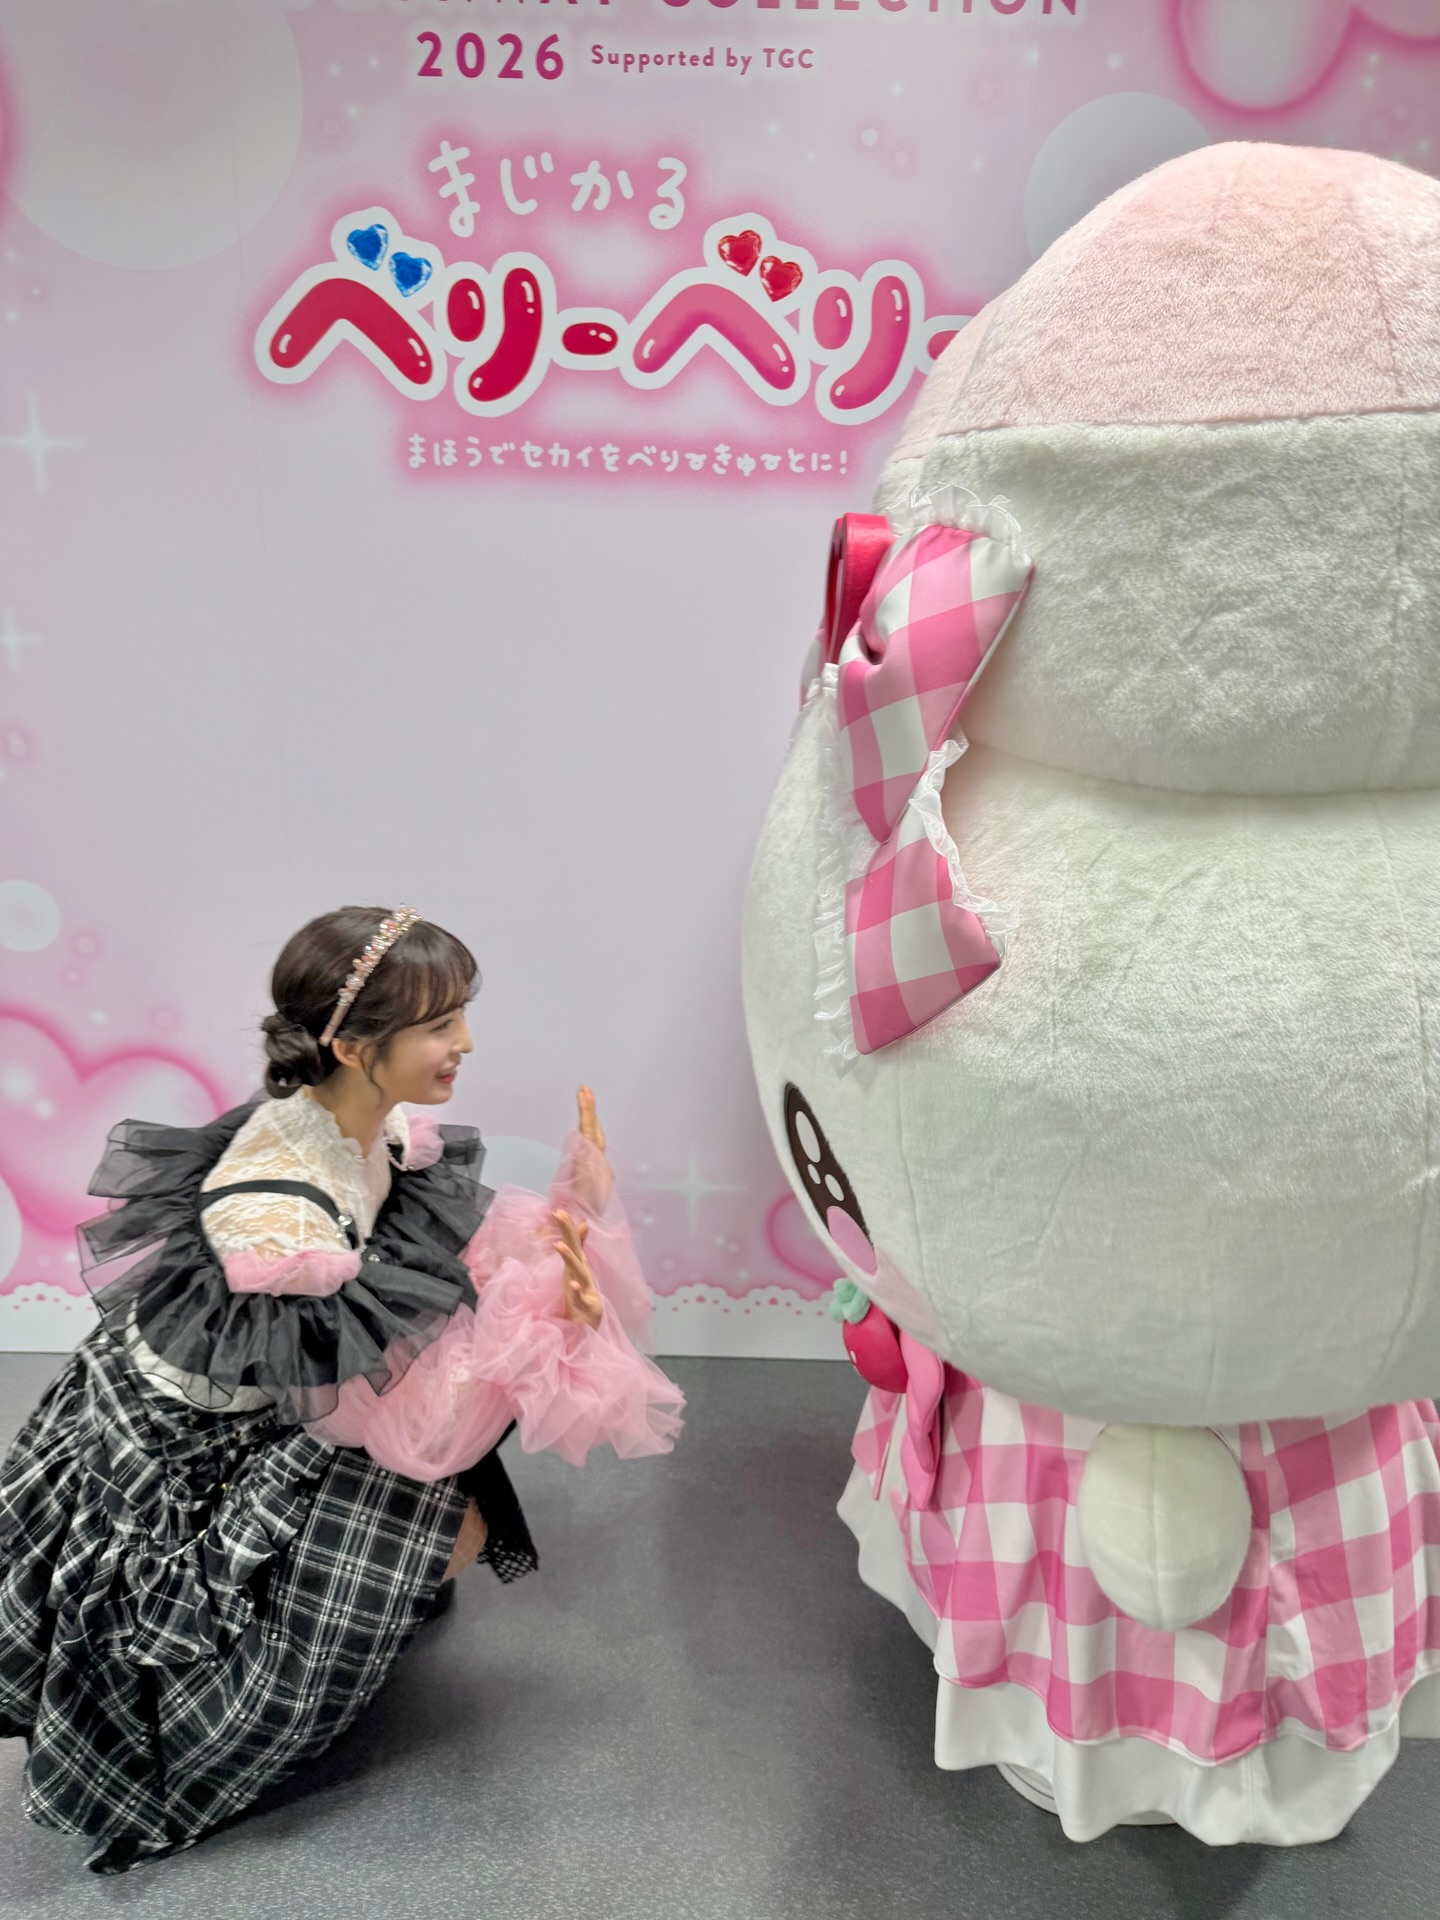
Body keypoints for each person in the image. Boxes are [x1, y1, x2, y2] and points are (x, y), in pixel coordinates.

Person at [0, 905, 684, 1873]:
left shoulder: (377, 1125)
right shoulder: (276, 1213)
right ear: (357, 1048)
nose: (465, 1042)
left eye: (462, 1014)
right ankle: (196, 1737)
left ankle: (365, 1602)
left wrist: (563, 1227)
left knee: (438, 1520)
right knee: (433, 1527)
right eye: (439, 1024)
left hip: (292, 1394)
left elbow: (433, 1268)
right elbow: (391, 1409)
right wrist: (534, 1316)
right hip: (198, 1442)